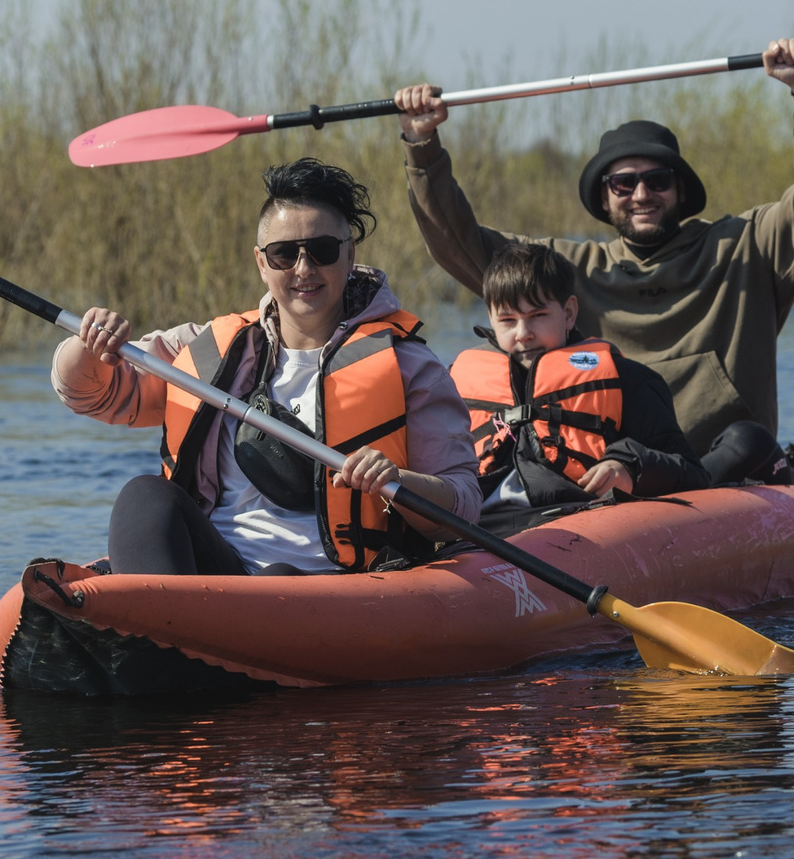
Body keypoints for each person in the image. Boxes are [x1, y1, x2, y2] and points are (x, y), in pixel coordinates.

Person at [395, 38, 794, 484]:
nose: (641, 195)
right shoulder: (564, 268)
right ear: (604, 195)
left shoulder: (748, 247)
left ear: (680, 190)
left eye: (657, 181)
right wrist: (422, 145)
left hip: (722, 470)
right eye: (623, 184)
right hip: (607, 472)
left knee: (747, 440)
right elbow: (459, 243)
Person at [52, 157, 483, 576]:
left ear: (350, 256)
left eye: (322, 250)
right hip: (218, 570)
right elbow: (91, 394)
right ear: (261, 263)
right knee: (143, 496)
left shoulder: (410, 366)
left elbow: (462, 502)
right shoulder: (208, 349)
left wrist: (400, 482)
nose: (304, 269)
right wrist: (88, 346)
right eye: (283, 254)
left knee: (279, 575)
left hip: (331, 588)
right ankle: (154, 629)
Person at [453, 239, 709, 534]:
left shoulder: (627, 380)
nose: (523, 334)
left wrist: (630, 465)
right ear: (491, 319)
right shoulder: (452, 383)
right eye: (508, 320)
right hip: (480, 532)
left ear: (569, 313)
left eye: (538, 316)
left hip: (580, 526)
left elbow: (692, 473)